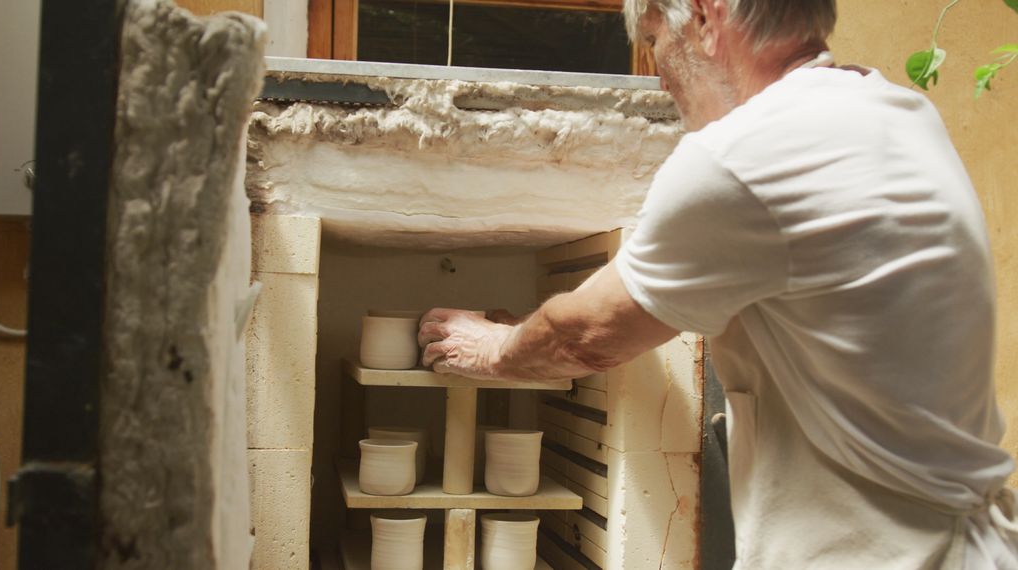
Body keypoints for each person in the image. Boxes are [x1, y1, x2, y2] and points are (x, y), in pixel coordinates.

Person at [417, 0, 1018, 567]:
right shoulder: (891, 109)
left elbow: (584, 337)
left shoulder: (744, 154)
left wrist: (489, 346)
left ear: (704, 18)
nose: (658, 79)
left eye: (655, 42)